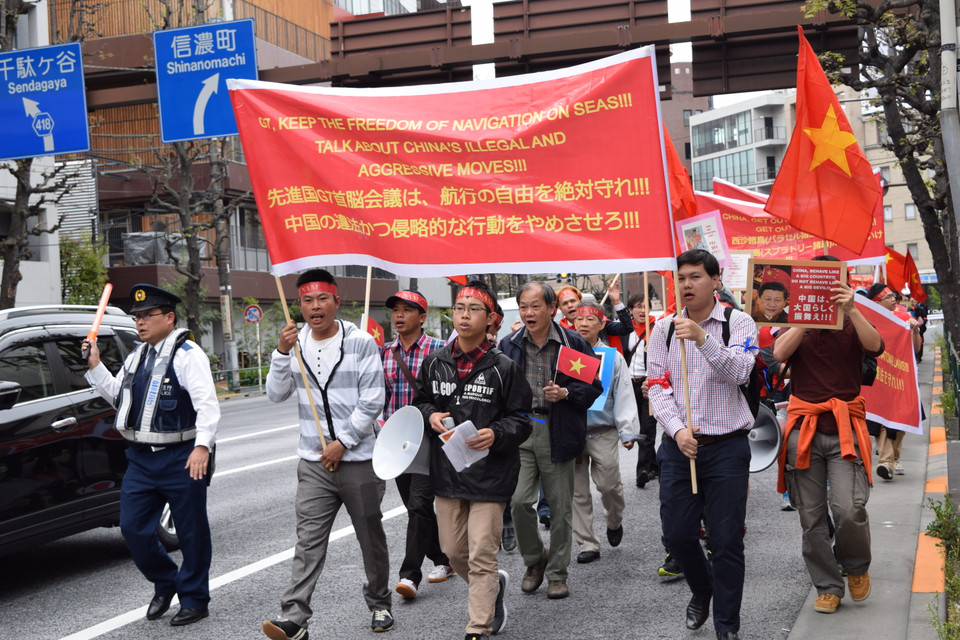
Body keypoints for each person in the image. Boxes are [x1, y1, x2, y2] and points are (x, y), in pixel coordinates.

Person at [262, 269, 393, 639]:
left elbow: (373, 401)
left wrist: (343, 442)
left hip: (360, 459)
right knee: (308, 539)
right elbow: (275, 393)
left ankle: (380, 603)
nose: (314, 307)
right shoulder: (295, 342)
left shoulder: (361, 342)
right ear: (299, 304)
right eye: (307, 300)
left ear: (337, 301)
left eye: (322, 299)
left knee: (370, 535)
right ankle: (295, 617)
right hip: (314, 463)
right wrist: (281, 352)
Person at [83, 284, 219, 626]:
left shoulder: (189, 355)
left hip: (182, 457)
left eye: (147, 316)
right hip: (141, 460)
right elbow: (119, 397)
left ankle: (194, 598)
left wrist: (202, 447)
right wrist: (96, 365)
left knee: (191, 533)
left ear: (169, 318)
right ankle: (166, 581)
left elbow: (208, 407)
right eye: (137, 317)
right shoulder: (135, 356)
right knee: (133, 529)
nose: (140, 322)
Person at [413, 280, 533, 640]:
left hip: (490, 474)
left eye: (474, 309)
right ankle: (492, 587)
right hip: (448, 471)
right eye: (460, 308)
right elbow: (420, 402)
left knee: (482, 550)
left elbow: (522, 420)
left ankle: (477, 626)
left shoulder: (504, 368)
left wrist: (497, 434)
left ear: (491, 319)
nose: (464, 315)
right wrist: (429, 415)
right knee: (452, 550)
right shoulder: (435, 363)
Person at [647, 249, 757, 640]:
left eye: (695, 276)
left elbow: (741, 373)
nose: (687, 284)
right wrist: (678, 431)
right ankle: (702, 589)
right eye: (682, 278)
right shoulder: (661, 329)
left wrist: (704, 339)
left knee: (726, 541)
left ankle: (727, 626)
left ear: (715, 280)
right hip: (680, 446)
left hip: (728, 446)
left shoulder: (738, 323)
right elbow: (656, 387)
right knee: (678, 535)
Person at [773, 257, 884, 616]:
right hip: (804, 429)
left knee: (850, 508)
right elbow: (779, 354)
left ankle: (856, 565)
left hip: (845, 430)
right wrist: (804, 322)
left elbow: (876, 346)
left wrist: (851, 310)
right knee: (811, 517)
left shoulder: (854, 318)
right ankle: (827, 584)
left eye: (831, 282)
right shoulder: (796, 319)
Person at [499, 281, 603, 600]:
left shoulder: (572, 343)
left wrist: (567, 393)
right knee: (518, 502)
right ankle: (535, 561)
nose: (528, 313)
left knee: (559, 507)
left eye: (535, 307)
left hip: (557, 429)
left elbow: (593, 389)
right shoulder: (509, 344)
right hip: (522, 430)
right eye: (524, 307)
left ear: (552, 310)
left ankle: (557, 573)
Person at [381, 289, 453, 600]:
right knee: (417, 507)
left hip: (429, 438)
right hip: (396, 441)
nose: (399, 315)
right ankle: (442, 559)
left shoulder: (441, 349)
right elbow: (380, 396)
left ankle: (409, 575)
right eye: (395, 310)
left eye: (407, 310)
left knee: (419, 504)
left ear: (422, 317)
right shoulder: (384, 352)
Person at [571, 305, 639, 563]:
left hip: (603, 431)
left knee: (609, 486)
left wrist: (627, 431)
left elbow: (623, 394)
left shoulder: (612, 356)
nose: (584, 323)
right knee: (577, 491)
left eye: (590, 319)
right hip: (573, 431)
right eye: (579, 319)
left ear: (602, 324)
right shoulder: (563, 353)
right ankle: (586, 543)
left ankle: (614, 521)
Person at [866, 283, 921, 480]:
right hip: (877, 380)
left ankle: (893, 459)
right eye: (888, 297)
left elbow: (915, 350)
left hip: (900, 378)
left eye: (893, 296)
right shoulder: (866, 321)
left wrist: (914, 331)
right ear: (876, 303)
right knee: (880, 422)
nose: (894, 300)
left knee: (900, 418)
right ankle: (886, 462)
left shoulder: (904, 318)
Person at [623, 292, 658, 489]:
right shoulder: (625, 330)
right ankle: (654, 465)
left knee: (647, 425)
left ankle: (642, 470)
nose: (642, 310)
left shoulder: (657, 328)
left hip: (649, 382)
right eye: (638, 306)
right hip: (629, 384)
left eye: (646, 306)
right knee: (638, 423)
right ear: (630, 310)